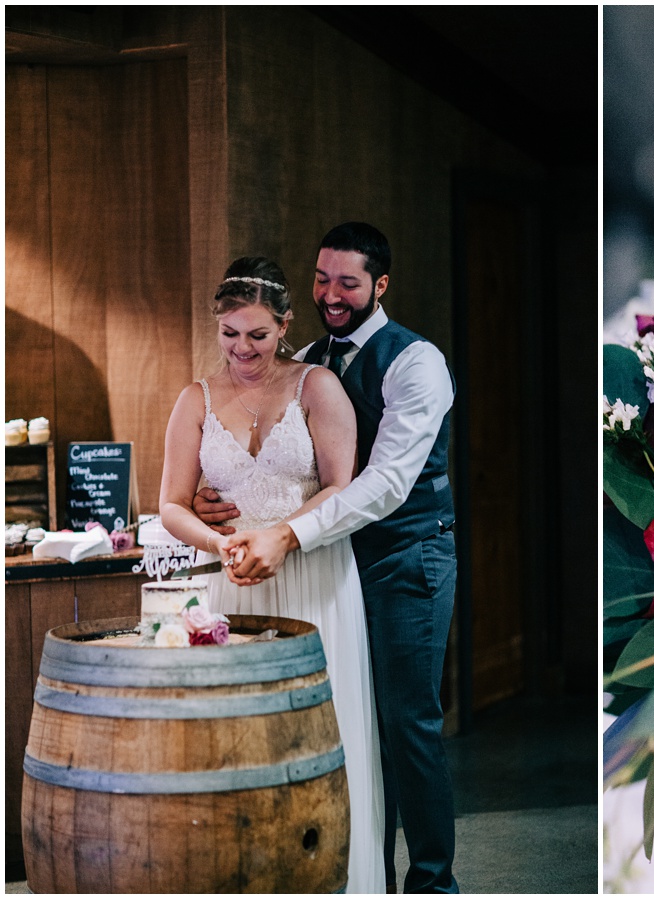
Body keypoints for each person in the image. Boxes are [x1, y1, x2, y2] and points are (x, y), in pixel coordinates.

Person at [196, 224, 460, 894]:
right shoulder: (311, 359)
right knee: (357, 723)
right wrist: (217, 492)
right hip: (334, 564)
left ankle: (431, 882)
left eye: (347, 282)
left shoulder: (416, 362)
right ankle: (364, 868)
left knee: (409, 723)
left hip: (408, 554)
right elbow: (292, 464)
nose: (331, 294)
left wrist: (287, 535)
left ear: (381, 284)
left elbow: (386, 482)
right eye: (321, 278)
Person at [158, 257, 387, 893]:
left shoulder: (316, 387)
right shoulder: (194, 398)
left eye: (257, 334)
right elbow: (170, 503)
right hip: (231, 580)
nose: (242, 349)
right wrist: (222, 543)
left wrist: (279, 537)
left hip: (313, 574)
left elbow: (343, 488)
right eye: (230, 333)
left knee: (318, 730)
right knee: (240, 743)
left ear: (285, 326)